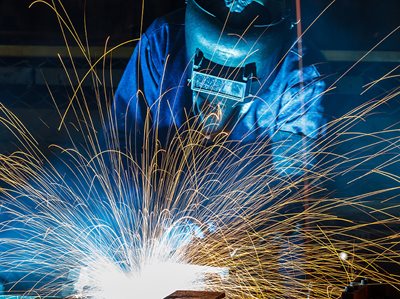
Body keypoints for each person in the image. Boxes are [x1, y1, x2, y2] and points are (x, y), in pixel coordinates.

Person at [114, 0, 327, 177]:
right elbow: (122, 138)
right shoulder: (163, 41)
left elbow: (293, 179)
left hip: (245, 213)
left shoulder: (300, 76)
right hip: (158, 199)